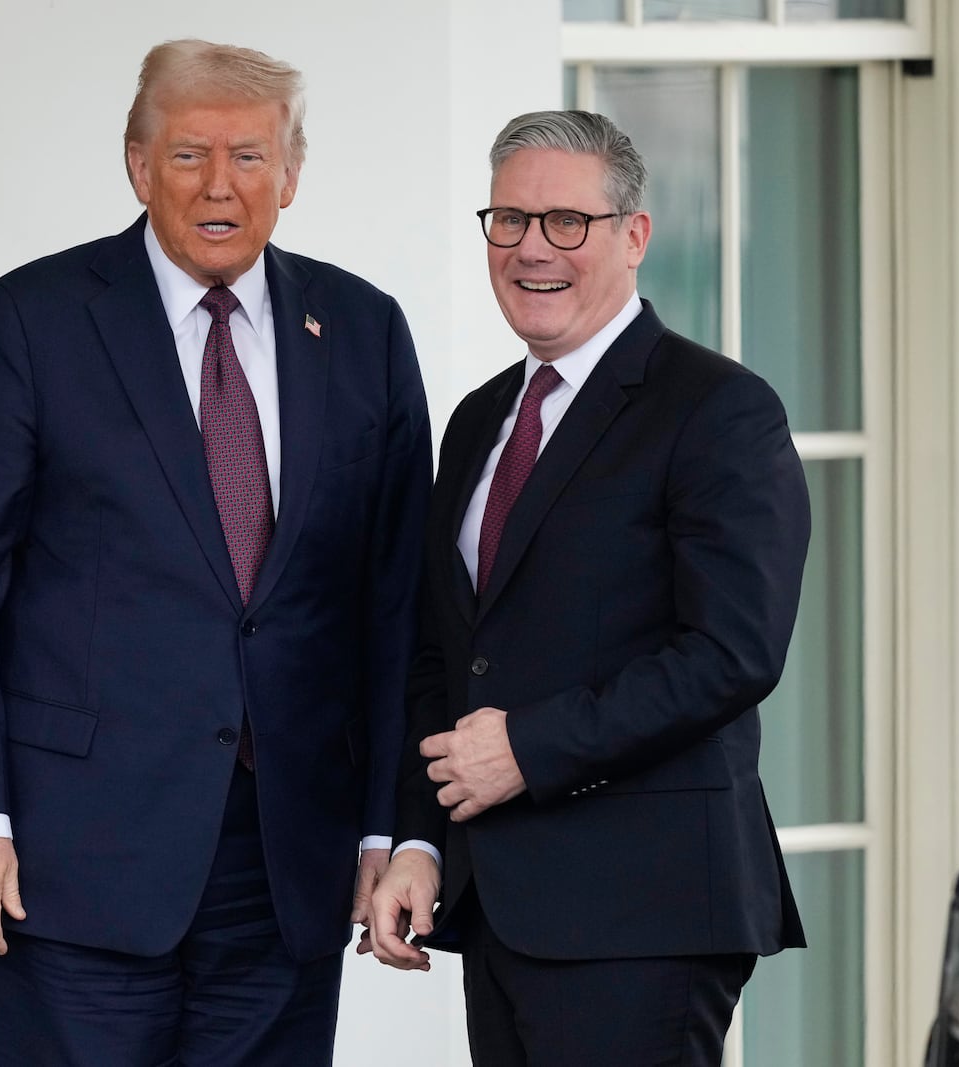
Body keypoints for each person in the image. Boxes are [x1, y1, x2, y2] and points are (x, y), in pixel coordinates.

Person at [0, 38, 431, 1067]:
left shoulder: (363, 330)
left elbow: (394, 606)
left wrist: (387, 828)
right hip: (69, 861)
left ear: (292, 172)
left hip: (289, 862)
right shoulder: (28, 323)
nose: (220, 185)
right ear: (137, 167)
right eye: (189, 155)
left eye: (249, 155)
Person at [367, 109, 809, 1066]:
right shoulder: (481, 418)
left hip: (643, 911)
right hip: (499, 906)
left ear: (634, 235)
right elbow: (445, 653)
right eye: (510, 221)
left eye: (566, 222)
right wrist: (420, 841)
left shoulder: (719, 410)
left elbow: (733, 652)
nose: (533, 249)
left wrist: (529, 747)